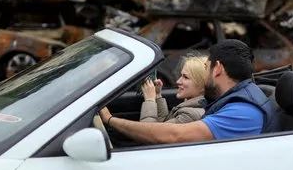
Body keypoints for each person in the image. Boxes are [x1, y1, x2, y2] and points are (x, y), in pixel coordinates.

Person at [99, 40, 281, 144]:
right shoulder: (235, 98)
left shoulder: (243, 112)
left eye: (206, 67)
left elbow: (175, 135)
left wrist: (110, 120)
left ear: (217, 68)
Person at [138, 55, 208, 124]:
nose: (178, 81)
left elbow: (150, 133)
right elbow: (164, 123)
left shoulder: (189, 115)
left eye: (186, 77)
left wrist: (149, 100)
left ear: (202, 86)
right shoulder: (192, 108)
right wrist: (157, 95)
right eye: (181, 76)